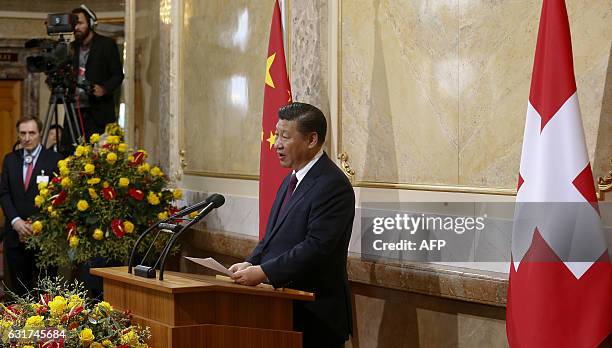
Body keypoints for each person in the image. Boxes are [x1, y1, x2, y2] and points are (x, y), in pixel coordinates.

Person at [229, 102, 355, 347]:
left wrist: (264, 272)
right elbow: (273, 237)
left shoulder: (332, 184)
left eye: (285, 136)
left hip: (315, 315)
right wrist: (251, 262)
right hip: (283, 310)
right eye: (277, 134)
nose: (276, 143)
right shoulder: (291, 179)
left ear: (311, 139)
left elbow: (316, 247)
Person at [0, 116, 62, 295]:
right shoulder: (10, 159)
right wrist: (16, 221)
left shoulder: (55, 160)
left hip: (45, 237)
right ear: (18, 135)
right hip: (15, 236)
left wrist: (36, 223)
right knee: (19, 293)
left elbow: (59, 198)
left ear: (40, 134)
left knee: (46, 294)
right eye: (23, 133)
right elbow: (4, 193)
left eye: (32, 133)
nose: (27, 138)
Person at [62, 4, 123, 146]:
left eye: (80, 23)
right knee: (72, 154)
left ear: (90, 23)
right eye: (73, 24)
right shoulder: (71, 48)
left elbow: (118, 75)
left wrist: (104, 89)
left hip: (98, 112)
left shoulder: (106, 44)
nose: (76, 27)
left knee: (97, 155)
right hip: (75, 114)